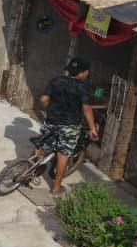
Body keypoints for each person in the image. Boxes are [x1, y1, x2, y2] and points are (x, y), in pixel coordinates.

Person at [38, 57, 98, 195]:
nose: (87, 73)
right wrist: (92, 128)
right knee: (63, 154)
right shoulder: (82, 87)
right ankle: (56, 188)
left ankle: (28, 170)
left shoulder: (56, 80)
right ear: (82, 72)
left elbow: (43, 100)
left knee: (40, 145)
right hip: (69, 126)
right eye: (86, 71)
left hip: (51, 121)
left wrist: (52, 109)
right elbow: (87, 109)